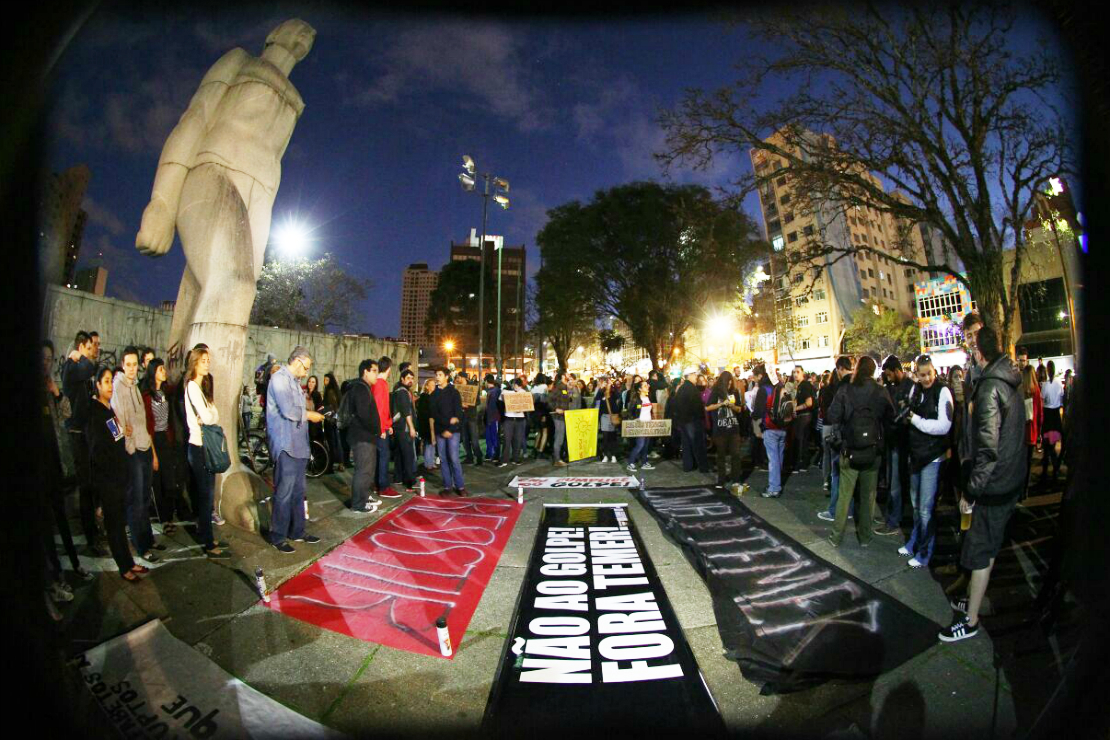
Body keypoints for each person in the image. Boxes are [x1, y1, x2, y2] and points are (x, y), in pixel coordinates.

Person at [941, 325, 1027, 642]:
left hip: (994, 484)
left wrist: (971, 492)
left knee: (979, 552)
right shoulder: (1010, 378)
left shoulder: (991, 386)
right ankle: (973, 598)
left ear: (978, 352)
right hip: (1011, 477)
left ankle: (971, 619)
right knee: (988, 548)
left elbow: (988, 450)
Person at [41, 341, 94, 589]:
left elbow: (66, 411)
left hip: (55, 460)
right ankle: (56, 578)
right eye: (42, 359)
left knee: (60, 517)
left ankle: (73, 565)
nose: (46, 363)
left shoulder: (51, 386)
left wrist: (57, 393)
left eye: (50, 359)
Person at [88, 366, 148, 582]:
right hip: (108, 480)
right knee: (113, 526)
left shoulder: (107, 409)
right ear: (97, 385)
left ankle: (129, 562)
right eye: (105, 382)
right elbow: (98, 450)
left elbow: (116, 437)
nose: (109, 386)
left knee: (120, 524)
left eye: (110, 381)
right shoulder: (95, 412)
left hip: (119, 477)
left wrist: (124, 432)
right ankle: (124, 568)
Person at [827, 356, 894, 547]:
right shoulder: (880, 392)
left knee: (844, 496)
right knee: (868, 497)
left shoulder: (845, 390)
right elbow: (891, 418)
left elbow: (832, 415)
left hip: (849, 449)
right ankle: (865, 538)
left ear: (857, 369)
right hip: (873, 451)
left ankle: (836, 537)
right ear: (873, 371)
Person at [265, 346, 326, 553]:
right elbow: (289, 411)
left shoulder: (294, 382)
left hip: (299, 446)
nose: (307, 372)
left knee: (299, 492)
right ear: (298, 361)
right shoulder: (280, 379)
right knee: (284, 492)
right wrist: (311, 415)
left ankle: (297, 531)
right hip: (286, 445)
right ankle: (278, 535)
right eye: (306, 367)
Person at [897, 355, 954, 568]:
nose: (927, 378)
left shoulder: (943, 391)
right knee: (915, 505)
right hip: (916, 454)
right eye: (923, 375)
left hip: (933, 456)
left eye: (929, 373)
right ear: (917, 376)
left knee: (925, 508)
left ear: (934, 371)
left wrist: (914, 419)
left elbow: (943, 426)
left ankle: (924, 552)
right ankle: (915, 541)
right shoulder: (916, 390)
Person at [112, 346, 162, 563]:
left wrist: (150, 451)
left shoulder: (135, 388)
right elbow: (114, 421)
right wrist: (126, 438)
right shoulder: (119, 387)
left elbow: (143, 422)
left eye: (135, 364)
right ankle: (142, 546)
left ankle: (148, 539)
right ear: (123, 365)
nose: (132, 369)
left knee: (144, 498)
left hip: (143, 448)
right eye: (129, 365)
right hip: (132, 452)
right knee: (137, 501)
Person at [182, 347, 232, 559]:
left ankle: (207, 536)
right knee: (206, 496)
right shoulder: (193, 387)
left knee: (208, 495)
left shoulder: (202, 387)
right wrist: (209, 415)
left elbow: (214, 413)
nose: (207, 363)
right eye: (203, 360)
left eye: (208, 360)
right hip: (199, 447)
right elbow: (208, 416)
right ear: (194, 363)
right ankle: (208, 543)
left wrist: (210, 414)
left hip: (204, 447)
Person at [62, 330, 103, 555]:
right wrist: (78, 356)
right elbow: (89, 367)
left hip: (86, 435)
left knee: (89, 486)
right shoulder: (73, 366)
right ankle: (90, 538)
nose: (94, 351)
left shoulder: (79, 368)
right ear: (80, 347)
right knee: (85, 487)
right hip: (77, 434)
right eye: (90, 347)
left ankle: (92, 532)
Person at [144, 359, 189, 535]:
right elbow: (148, 426)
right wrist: (153, 454)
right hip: (154, 440)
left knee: (170, 480)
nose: (164, 371)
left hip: (167, 438)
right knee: (159, 482)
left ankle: (169, 516)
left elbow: (179, 389)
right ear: (153, 372)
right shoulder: (147, 395)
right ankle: (164, 519)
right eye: (161, 369)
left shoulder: (166, 391)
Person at [878, 355, 915, 536]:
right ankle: (894, 516)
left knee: (896, 484)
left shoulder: (909, 388)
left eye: (890, 374)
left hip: (901, 442)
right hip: (894, 441)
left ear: (897, 371)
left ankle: (894, 520)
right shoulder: (895, 387)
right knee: (895, 483)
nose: (888, 378)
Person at [818, 356, 856, 522]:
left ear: (840, 368)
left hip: (841, 434)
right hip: (855, 434)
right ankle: (850, 509)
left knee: (837, 473)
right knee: (850, 475)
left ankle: (834, 510)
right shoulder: (858, 384)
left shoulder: (841, 386)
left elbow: (834, 413)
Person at [348, 359, 382, 513]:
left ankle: (364, 496)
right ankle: (358, 504)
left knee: (368, 470)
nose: (377, 374)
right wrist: (376, 428)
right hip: (363, 436)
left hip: (366, 436)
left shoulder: (363, 387)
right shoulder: (360, 388)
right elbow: (364, 415)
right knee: (363, 470)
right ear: (365, 372)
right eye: (374, 370)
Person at [430, 366, 468, 496]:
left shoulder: (454, 392)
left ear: (446, 376)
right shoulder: (434, 394)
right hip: (440, 431)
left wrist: (450, 429)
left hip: (453, 432)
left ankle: (460, 486)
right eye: (436, 375)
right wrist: (444, 428)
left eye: (440, 375)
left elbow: (458, 414)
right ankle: (447, 486)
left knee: (454, 458)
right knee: (443, 459)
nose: (437, 377)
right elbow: (434, 414)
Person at [753, 365, 788, 498]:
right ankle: (776, 483)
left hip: (770, 427)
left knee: (772, 459)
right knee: (779, 458)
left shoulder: (764, 390)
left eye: (755, 376)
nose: (754, 379)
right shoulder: (779, 387)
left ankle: (774, 488)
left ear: (761, 376)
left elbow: (758, 411)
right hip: (783, 426)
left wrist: (754, 418)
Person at [706, 371, 744, 490]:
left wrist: (732, 406)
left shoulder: (734, 392)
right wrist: (721, 404)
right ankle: (721, 480)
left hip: (733, 428)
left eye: (730, 382)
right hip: (720, 428)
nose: (729, 384)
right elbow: (708, 407)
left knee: (735, 454)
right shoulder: (715, 392)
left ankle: (736, 479)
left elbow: (739, 409)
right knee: (721, 455)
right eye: (727, 382)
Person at [673, 368, 710, 474]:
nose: (696, 377)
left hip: (684, 421)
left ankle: (688, 466)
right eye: (694, 375)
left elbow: (677, 405)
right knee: (698, 444)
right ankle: (703, 467)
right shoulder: (691, 389)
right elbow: (697, 406)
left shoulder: (682, 389)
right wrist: (700, 418)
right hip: (693, 421)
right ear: (689, 376)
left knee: (686, 444)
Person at [372, 357, 399, 498]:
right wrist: (382, 428)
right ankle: (383, 487)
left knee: (380, 456)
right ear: (388, 368)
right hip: (379, 428)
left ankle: (378, 484)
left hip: (381, 426)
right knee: (383, 456)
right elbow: (379, 408)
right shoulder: (380, 384)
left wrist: (387, 425)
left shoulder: (377, 383)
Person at [391, 367, 418, 492]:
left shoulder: (398, 390)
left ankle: (398, 478)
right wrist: (412, 428)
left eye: (412, 378)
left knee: (399, 454)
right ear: (402, 379)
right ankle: (410, 483)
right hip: (404, 428)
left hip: (398, 428)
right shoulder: (402, 392)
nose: (410, 381)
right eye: (408, 378)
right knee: (408, 455)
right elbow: (406, 412)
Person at [1039, 359, 1064, 486]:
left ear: (1047, 370)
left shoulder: (1045, 385)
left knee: (1047, 447)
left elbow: (1042, 400)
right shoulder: (1059, 383)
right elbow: (1062, 398)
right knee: (1052, 446)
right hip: (1055, 416)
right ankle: (1055, 471)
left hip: (1048, 416)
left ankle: (1046, 473)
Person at [1020, 365, 1042, 500]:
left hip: (1021, 433)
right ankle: (1025, 491)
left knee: (1020, 464)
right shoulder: (1036, 391)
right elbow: (1040, 414)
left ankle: (1019, 490)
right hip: (1032, 433)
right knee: (1028, 464)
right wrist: (1039, 431)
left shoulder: (1020, 391)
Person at [625, 380, 656, 472]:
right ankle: (630, 463)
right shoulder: (636, 399)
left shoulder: (647, 397)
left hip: (648, 424)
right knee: (640, 444)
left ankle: (644, 462)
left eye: (647, 385)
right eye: (645, 385)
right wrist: (635, 419)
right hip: (640, 425)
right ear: (640, 389)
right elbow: (630, 411)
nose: (648, 386)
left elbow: (649, 411)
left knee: (646, 445)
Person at [791, 366, 817, 472]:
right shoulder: (800, 385)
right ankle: (803, 462)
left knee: (801, 440)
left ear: (803, 373)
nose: (795, 374)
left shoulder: (805, 385)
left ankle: (801, 463)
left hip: (804, 416)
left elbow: (809, 402)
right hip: (803, 416)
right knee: (802, 440)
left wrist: (796, 409)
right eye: (794, 372)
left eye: (798, 372)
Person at [455, 373, 483, 466]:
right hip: (462, 417)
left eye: (458, 377)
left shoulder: (473, 387)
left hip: (471, 417)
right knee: (464, 439)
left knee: (474, 439)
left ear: (463, 378)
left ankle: (479, 457)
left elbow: (478, 401)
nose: (457, 379)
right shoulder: (457, 388)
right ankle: (469, 457)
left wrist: (469, 403)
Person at [500, 377, 529, 466]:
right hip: (510, 418)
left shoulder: (524, 393)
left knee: (516, 439)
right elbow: (501, 398)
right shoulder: (507, 392)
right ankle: (507, 459)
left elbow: (528, 405)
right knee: (508, 439)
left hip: (518, 419)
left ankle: (514, 458)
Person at [594, 377, 623, 464]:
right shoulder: (601, 393)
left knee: (612, 436)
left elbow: (619, 396)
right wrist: (601, 388)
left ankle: (613, 455)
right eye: (605, 383)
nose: (607, 384)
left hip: (613, 416)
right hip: (604, 417)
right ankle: (606, 455)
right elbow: (596, 398)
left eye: (608, 382)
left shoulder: (614, 393)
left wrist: (612, 386)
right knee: (605, 437)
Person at [550, 372, 573, 467]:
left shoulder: (564, 387)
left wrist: (570, 390)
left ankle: (558, 457)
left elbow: (567, 399)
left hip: (564, 416)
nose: (569, 376)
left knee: (560, 437)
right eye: (567, 374)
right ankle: (557, 460)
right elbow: (549, 399)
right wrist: (556, 409)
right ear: (563, 376)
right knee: (559, 438)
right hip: (558, 417)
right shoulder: (559, 387)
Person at [322, 372, 343, 472]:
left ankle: (330, 465)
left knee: (331, 443)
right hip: (334, 420)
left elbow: (333, 407)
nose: (325, 382)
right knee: (335, 442)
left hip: (330, 420)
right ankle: (338, 463)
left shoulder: (330, 391)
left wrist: (327, 414)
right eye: (324, 380)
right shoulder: (334, 391)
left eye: (326, 380)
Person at [416, 378, 438, 471]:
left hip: (432, 422)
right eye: (432, 385)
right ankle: (428, 463)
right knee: (429, 443)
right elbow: (423, 412)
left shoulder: (433, 397)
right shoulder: (424, 397)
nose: (434, 387)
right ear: (427, 386)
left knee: (432, 443)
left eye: (434, 385)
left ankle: (431, 462)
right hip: (426, 424)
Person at [484, 373, 503, 463]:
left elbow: (492, 407)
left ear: (487, 381)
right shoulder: (495, 390)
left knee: (493, 437)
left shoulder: (494, 391)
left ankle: (495, 455)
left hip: (493, 418)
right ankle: (491, 454)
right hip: (492, 418)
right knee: (492, 437)